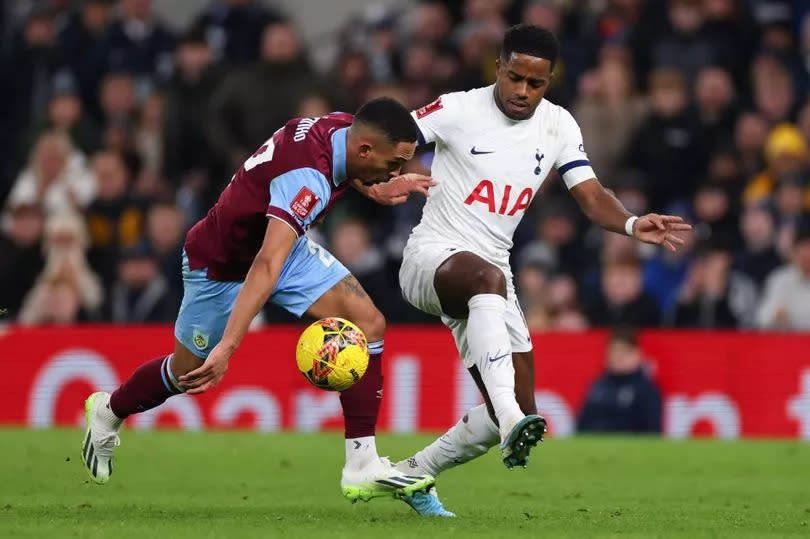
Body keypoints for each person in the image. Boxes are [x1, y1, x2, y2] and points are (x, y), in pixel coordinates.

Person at [395, 24, 691, 516]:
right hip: (431, 257)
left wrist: (634, 223)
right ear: (499, 68)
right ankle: (511, 417)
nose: (522, 92)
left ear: (549, 81)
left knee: (513, 407)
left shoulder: (558, 125)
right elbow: (394, 137)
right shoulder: (458, 109)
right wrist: (385, 176)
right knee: (506, 380)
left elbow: (592, 198)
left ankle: (413, 474)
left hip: (492, 273)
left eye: (536, 84)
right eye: (515, 78)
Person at [79, 98, 437, 503]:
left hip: (285, 248)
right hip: (220, 265)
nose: (398, 171)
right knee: (187, 372)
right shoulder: (308, 179)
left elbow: (335, 172)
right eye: (395, 163)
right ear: (366, 149)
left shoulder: (341, 128)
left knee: (368, 322)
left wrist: (374, 186)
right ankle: (109, 410)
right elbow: (265, 264)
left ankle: (362, 464)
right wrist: (229, 346)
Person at [577, 327, 662, 434]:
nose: (618, 356)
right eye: (614, 351)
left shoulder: (647, 390)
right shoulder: (597, 386)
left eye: (625, 351)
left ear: (638, 354)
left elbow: (652, 432)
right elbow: (581, 425)